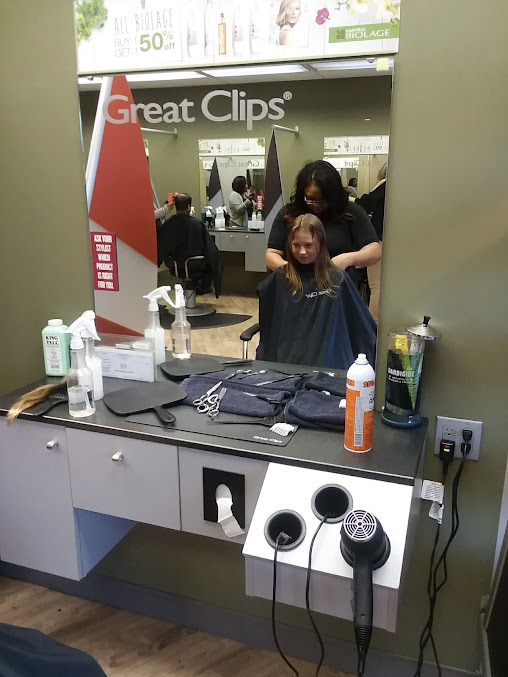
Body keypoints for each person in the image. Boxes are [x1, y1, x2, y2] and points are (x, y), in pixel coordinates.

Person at [257, 213, 376, 368]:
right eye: (296, 245)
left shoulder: (336, 279)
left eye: (308, 245)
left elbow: (362, 328)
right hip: (287, 362)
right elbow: (271, 329)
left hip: (329, 361)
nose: (302, 251)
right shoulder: (281, 278)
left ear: (320, 244)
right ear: (290, 245)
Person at [266, 160, 382, 284]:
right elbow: (272, 253)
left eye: (323, 200)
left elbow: (374, 251)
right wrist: (292, 272)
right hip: (295, 287)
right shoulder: (288, 213)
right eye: (310, 199)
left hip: (338, 287)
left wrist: (348, 259)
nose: (317, 204)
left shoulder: (351, 211)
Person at [157, 193, 222, 296]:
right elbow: (210, 249)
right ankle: (204, 287)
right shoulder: (197, 224)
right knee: (214, 258)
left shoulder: (168, 224)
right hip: (196, 266)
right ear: (188, 207)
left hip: (175, 266)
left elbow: (161, 247)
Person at [355, 162, 387, 322]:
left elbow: (364, 205)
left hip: (380, 240)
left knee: (376, 286)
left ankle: (374, 326)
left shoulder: (386, 184)